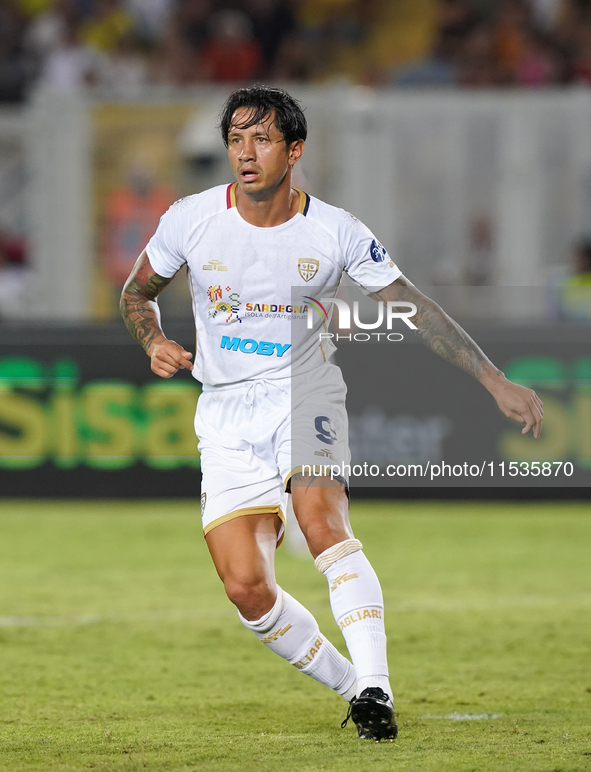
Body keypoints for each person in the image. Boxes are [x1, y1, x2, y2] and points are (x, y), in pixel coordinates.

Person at [120, 85, 543, 742]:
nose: (245, 153)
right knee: (244, 588)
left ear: (295, 149)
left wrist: (492, 380)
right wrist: (155, 341)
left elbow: (411, 308)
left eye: (261, 139)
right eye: (235, 138)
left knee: (319, 521)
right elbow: (137, 292)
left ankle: (377, 683)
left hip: (305, 392)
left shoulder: (336, 232)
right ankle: (354, 689)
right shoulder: (190, 218)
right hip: (226, 413)